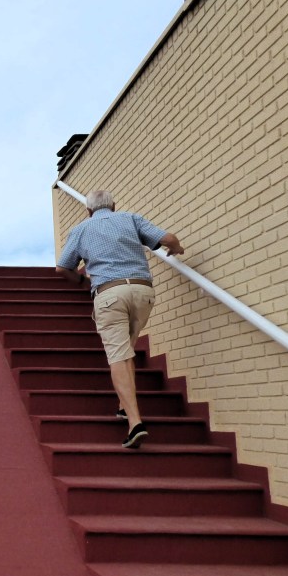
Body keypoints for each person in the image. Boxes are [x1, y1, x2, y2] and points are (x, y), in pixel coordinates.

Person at [55, 189, 184, 449]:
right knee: (126, 352)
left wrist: (82, 281)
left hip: (109, 294)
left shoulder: (80, 230)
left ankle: (135, 423)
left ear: (88, 210)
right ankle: (124, 406)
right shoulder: (130, 218)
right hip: (142, 292)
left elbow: (62, 267)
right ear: (113, 205)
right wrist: (176, 247)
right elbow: (168, 238)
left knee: (118, 356)